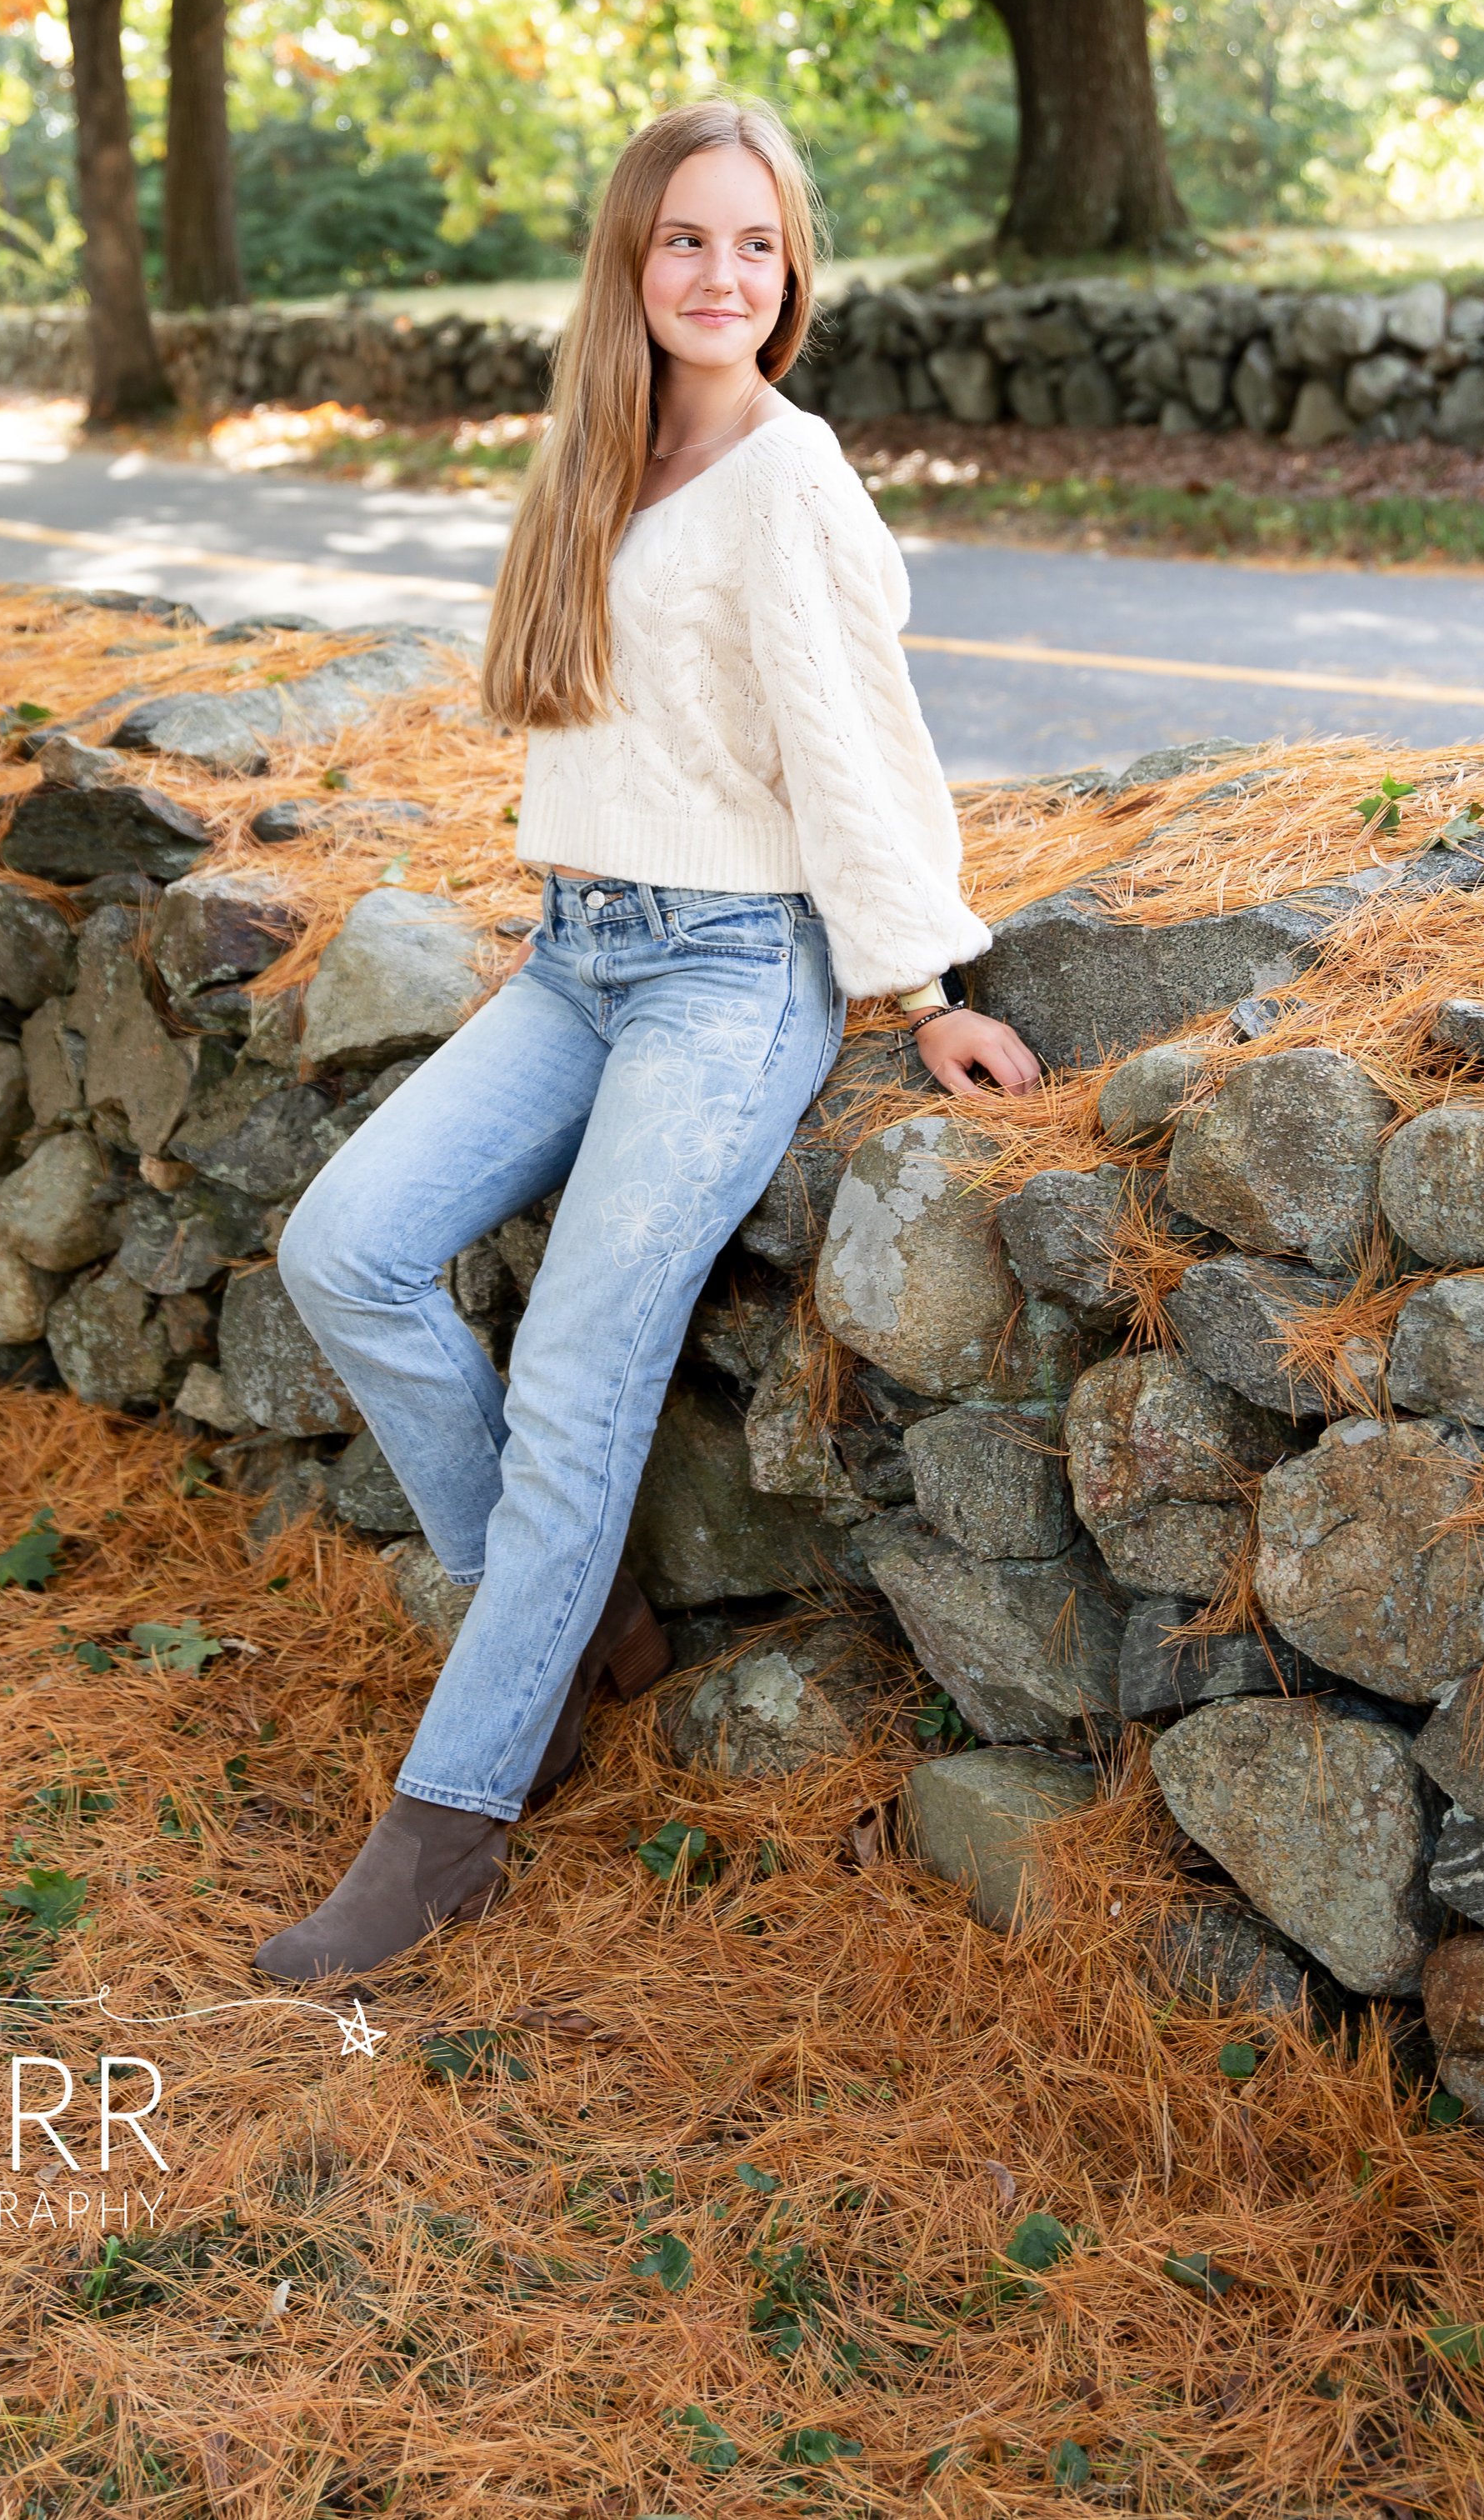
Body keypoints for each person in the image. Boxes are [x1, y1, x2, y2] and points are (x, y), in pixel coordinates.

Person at [252, 97, 1040, 1982]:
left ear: (790, 274)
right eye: (687, 239)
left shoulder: (792, 474)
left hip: (726, 976)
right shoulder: (597, 456)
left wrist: (921, 992)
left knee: (581, 1379)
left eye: (756, 245)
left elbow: (852, 749)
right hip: (573, 956)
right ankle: (572, 1597)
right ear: (628, 258)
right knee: (340, 1246)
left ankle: (446, 1822)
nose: (721, 275)